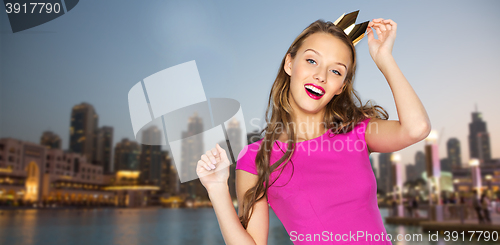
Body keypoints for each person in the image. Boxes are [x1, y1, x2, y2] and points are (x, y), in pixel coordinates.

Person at [196, 12, 431, 245]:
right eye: (311, 61)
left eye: (336, 71)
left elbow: (417, 128)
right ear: (290, 63)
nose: (321, 76)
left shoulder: (357, 131)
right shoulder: (257, 158)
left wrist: (384, 58)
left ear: (341, 87)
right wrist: (217, 189)